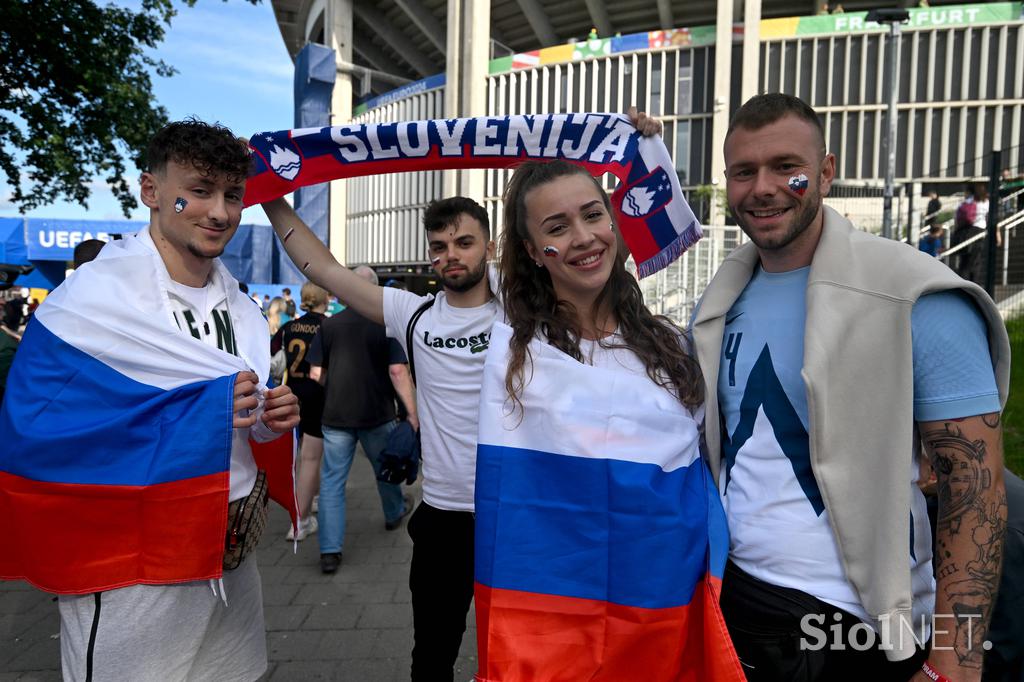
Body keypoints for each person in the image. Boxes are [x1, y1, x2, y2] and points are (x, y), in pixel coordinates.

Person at [690, 93, 1009, 681]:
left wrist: (955, 663)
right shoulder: (721, 300)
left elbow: (975, 485)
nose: (763, 187)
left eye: (787, 166)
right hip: (735, 607)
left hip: (858, 629)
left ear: (827, 172)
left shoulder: (913, 293)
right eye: (743, 171)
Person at [0, 119, 302, 680]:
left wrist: (268, 420)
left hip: (228, 555)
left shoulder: (238, 302)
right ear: (152, 191)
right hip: (130, 567)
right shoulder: (94, 296)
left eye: (233, 195)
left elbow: (242, 417)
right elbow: (38, 429)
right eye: (200, 190)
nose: (219, 212)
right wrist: (202, 412)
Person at [476, 158, 741, 680]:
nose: (583, 237)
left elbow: (700, 461)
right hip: (555, 621)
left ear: (614, 222)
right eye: (556, 228)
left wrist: (641, 147)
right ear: (532, 252)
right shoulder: (511, 354)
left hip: (663, 606)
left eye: (593, 215)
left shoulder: (670, 347)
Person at [263, 194, 498, 680]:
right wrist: (269, 197)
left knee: (521, 654)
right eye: (439, 245)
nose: (450, 254)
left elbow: (595, 251)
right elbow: (323, 268)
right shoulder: (412, 314)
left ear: (490, 248)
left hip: (517, 514)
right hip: (444, 517)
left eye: (464, 242)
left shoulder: (520, 307)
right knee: (431, 658)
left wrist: (641, 158)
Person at [306, 266, 417, 573]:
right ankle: (394, 512)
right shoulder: (386, 325)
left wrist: (336, 386)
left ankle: (330, 550)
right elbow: (398, 371)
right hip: (377, 413)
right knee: (385, 469)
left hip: (336, 415)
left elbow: (316, 373)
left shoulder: (329, 326)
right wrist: (412, 412)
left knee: (331, 483)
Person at [271, 281, 330, 541]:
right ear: (324, 299)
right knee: (311, 457)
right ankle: (301, 520)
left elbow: (270, 357)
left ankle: (310, 498)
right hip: (318, 394)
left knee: (299, 454)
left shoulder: (289, 327)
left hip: (292, 393)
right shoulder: (327, 326)